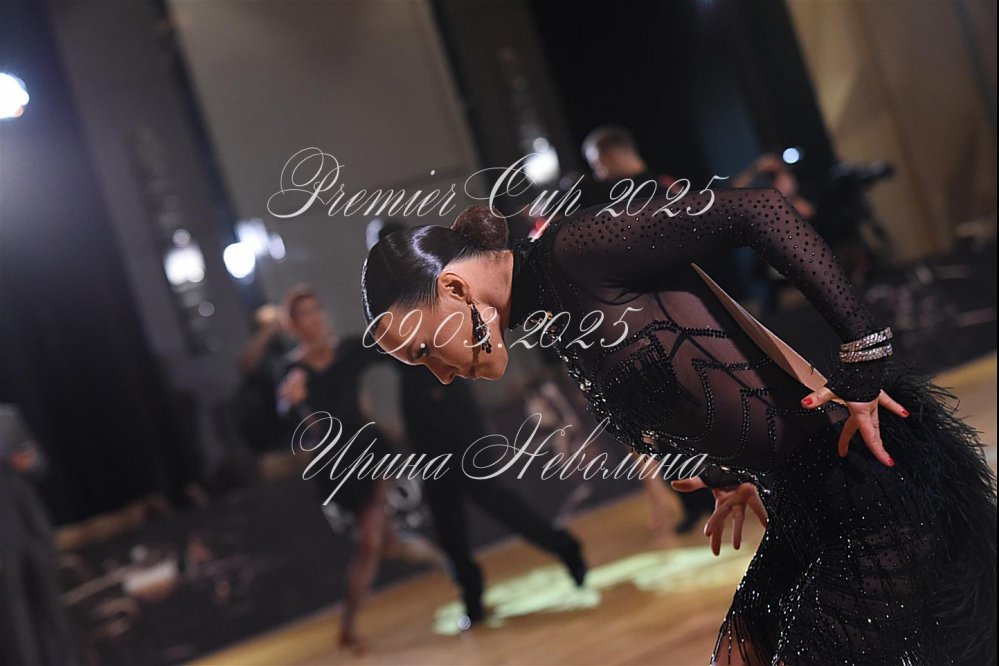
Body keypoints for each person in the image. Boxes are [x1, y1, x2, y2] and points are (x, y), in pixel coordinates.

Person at [360, 188, 997, 665]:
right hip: (805, 505)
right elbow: (673, 381)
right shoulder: (545, 308)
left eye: (423, 351)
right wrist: (723, 471)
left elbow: (759, 211)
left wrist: (864, 351)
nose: (439, 375)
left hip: (870, 491)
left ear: (453, 289)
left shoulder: (576, 250)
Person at [365, 218, 587, 628]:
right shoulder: (389, 313)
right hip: (424, 428)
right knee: (447, 519)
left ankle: (562, 546)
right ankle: (473, 597)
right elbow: (367, 352)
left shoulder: (431, 293)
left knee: (490, 497)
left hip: (455, 419)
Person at [274, 285, 440, 652]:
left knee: (370, 538)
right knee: (385, 543)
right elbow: (284, 410)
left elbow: (391, 351)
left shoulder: (348, 350)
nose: (315, 318)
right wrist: (291, 400)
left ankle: (349, 625)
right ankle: (451, 566)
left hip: (369, 452)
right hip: (337, 465)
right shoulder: (293, 369)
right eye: (304, 314)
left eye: (317, 310)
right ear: (294, 326)